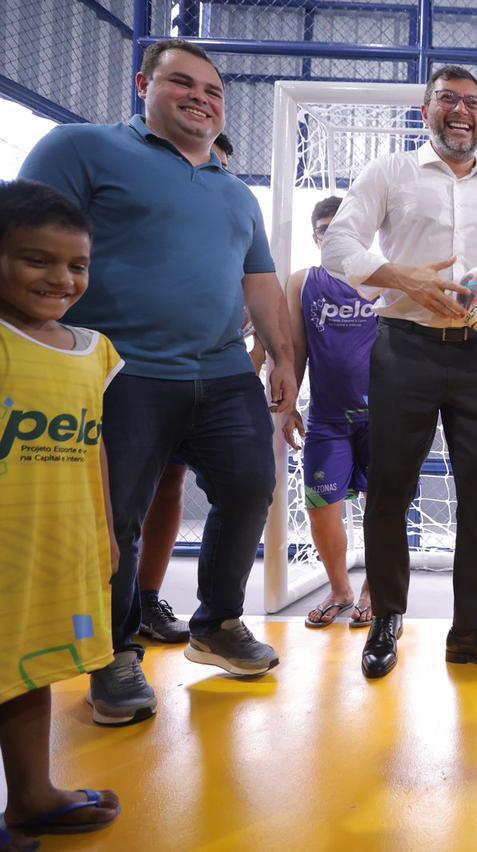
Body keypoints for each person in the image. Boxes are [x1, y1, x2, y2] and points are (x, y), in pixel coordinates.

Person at [19, 39, 296, 725]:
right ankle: (113, 655)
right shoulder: (83, 149)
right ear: (143, 84)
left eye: (213, 89)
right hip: (123, 371)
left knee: (249, 488)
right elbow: (25, 235)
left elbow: (258, 279)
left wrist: (285, 357)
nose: (201, 97)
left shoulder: (235, 191)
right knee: (115, 517)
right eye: (183, 83)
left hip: (224, 369)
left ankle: (218, 623)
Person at [321, 65, 477, 680]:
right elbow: (337, 247)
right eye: (448, 100)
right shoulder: (389, 172)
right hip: (403, 345)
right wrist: (402, 275)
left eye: (473, 103)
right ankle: (386, 619)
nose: (461, 111)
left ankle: (471, 631)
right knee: (390, 489)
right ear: (426, 111)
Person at [0, 180, 122, 839]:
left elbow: (92, 443)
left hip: (53, 541)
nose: (60, 278)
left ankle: (31, 795)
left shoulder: (92, 350)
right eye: (36, 259)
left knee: (27, 664)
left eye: (76, 264)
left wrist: (103, 532)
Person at [133, 131, 266, 647]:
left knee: (176, 484)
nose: (213, 171)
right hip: (140, 371)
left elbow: (255, 291)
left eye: (221, 164)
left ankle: (148, 600)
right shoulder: (153, 217)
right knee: (126, 498)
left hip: (212, 374)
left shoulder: (232, 219)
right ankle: (112, 622)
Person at [281, 196, 375, 628]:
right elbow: (295, 348)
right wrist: (289, 406)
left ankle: (376, 592)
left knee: (383, 509)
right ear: (316, 236)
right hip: (326, 419)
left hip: (381, 419)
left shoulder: (383, 280)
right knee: (321, 507)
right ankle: (340, 589)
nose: (332, 233)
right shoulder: (303, 282)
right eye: (324, 227)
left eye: (342, 227)